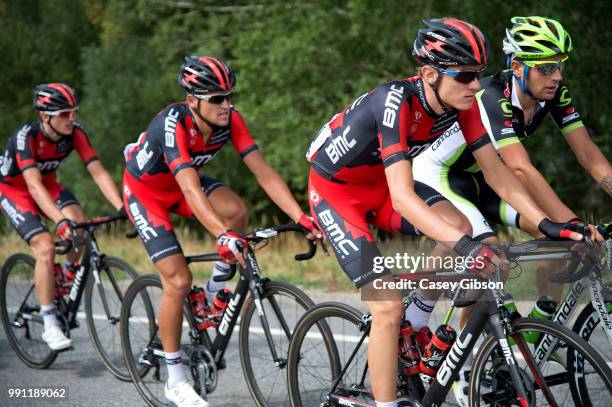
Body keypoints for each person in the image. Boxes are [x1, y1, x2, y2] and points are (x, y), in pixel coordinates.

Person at [306, 18, 584, 407]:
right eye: (466, 75)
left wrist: (548, 224)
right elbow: (404, 198)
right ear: (428, 74)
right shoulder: (395, 102)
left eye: (480, 75)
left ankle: (417, 321)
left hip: (381, 188)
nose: (476, 85)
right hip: (339, 195)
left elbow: (497, 174)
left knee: (458, 224)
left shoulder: (462, 104)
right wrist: (468, 246)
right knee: (386, 305)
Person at [410, 16, 608, 405]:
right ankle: (432, 339)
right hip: (442, 176)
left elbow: (590, 157)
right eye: (546, 67)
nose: (556, 76)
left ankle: (523, 341)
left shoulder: (552, 95)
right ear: (517, 66)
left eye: (560, 65)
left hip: (486, 179)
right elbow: (520, 168)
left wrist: (568, 228)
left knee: (556, 244)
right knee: (490, 253)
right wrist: (571, 224)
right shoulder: (490, 95)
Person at [122, 55, 320, 407]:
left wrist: (301, 216)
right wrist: (221, 235)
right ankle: (175, 379)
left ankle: (215, 289)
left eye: (229, 96)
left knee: (237, 212)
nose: (227, 105)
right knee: (179, 282)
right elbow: (189, 190)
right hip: (148, 192)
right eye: (217, 99)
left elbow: (263, 172)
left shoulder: (231, 120)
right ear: (192, 100)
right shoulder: (172, 124)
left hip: (187, 185)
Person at [0, 83, 124, 351]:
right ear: (45, 116)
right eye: (64, 114)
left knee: (79, 227)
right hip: (15, 190)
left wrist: (122, 206)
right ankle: (50, 324)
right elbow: (32, 186)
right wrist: (60, 220)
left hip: (48, 185)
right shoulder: (26, 137)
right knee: (45, 246)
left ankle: (65, 280)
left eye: (73, 113)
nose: (72, 119)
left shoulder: (75, 134)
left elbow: (98, 172)